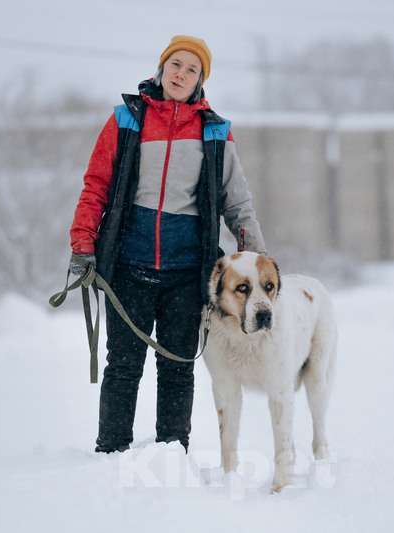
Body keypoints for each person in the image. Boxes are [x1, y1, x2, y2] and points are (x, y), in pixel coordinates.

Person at [68, 35, 266, 453]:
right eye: (176, 64)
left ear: (201, 80)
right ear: (162, 69)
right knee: (123, 367)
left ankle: (173, 453)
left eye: (192, 69)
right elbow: (96, 186)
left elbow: (237, 202)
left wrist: (258, 261)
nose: (181, 74)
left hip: (186, 272)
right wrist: (82, 243)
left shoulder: (215, 131)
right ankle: (111, 451)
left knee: (177, 368)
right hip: (128, 267)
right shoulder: (126, 119)